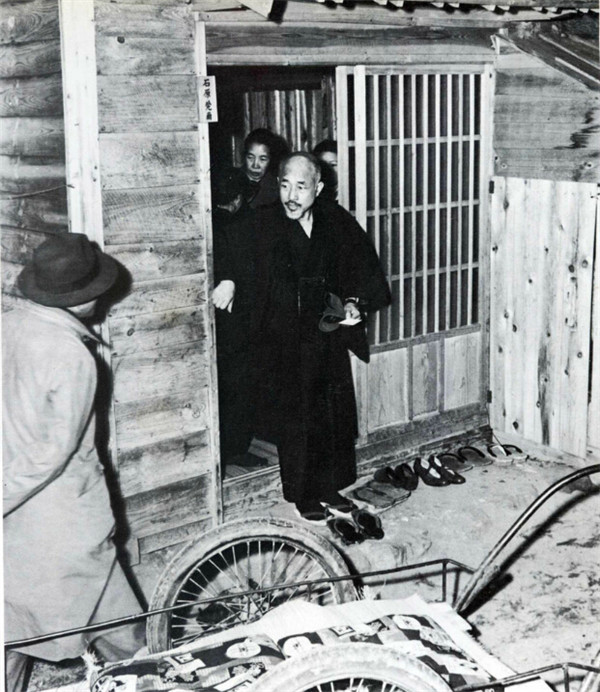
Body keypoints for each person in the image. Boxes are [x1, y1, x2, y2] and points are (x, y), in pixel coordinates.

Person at [3, 233, 145, 692]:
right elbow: (51, 452)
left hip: (15, 527)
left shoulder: (7, 325)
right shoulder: (72, 356)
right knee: (126, 634)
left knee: (13, 626)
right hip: (64, 523)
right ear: (83, 299)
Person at [222, 153, 390, 523]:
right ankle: (304, 493)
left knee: (332, 412)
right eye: (285, 185)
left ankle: (330, 487)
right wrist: (229, 279)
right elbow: (230, 246)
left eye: (301, 186)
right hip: (282, 337)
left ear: (319, 187)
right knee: (297, 416)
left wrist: (354, 302)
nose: (291, 195)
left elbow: (362, 267)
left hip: (327, 333)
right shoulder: (262, 222)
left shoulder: (335, 219)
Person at [211, 165, 267, 469]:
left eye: (230, 201)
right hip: (220, 316)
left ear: (239, 199)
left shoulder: (253, 222)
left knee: (243, 382)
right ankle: (226, 448)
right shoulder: (213, 220)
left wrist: (234, 280)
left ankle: (236, 447)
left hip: (247, 315)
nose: (227, 207)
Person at [238, 128, 288, 210]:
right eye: (250, 157)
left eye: (263, 159)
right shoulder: (232, 180)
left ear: (271, 160)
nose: (255, 165)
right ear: (244, 156)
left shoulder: (276, 187)